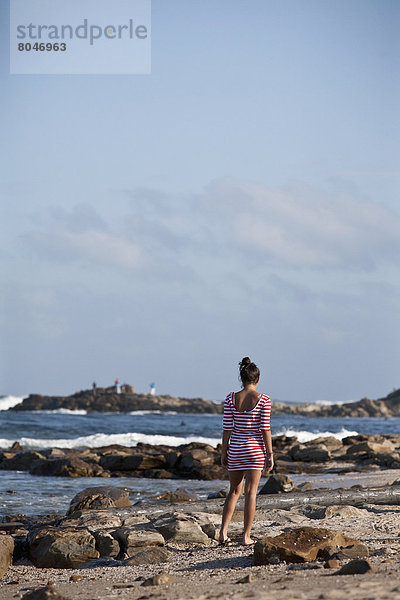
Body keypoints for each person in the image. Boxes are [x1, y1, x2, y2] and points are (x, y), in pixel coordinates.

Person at [219, 356, 273, 546]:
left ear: (241, 379)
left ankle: (223, 532)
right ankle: (245, 536)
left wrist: (223, 451)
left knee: (233, 491)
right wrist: (270, 454)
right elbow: (265, 428)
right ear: (258, 380)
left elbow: (227, 428)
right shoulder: (264, 400)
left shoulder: (230, 398)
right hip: (254, 450)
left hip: (235, 448)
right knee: (251, 492)